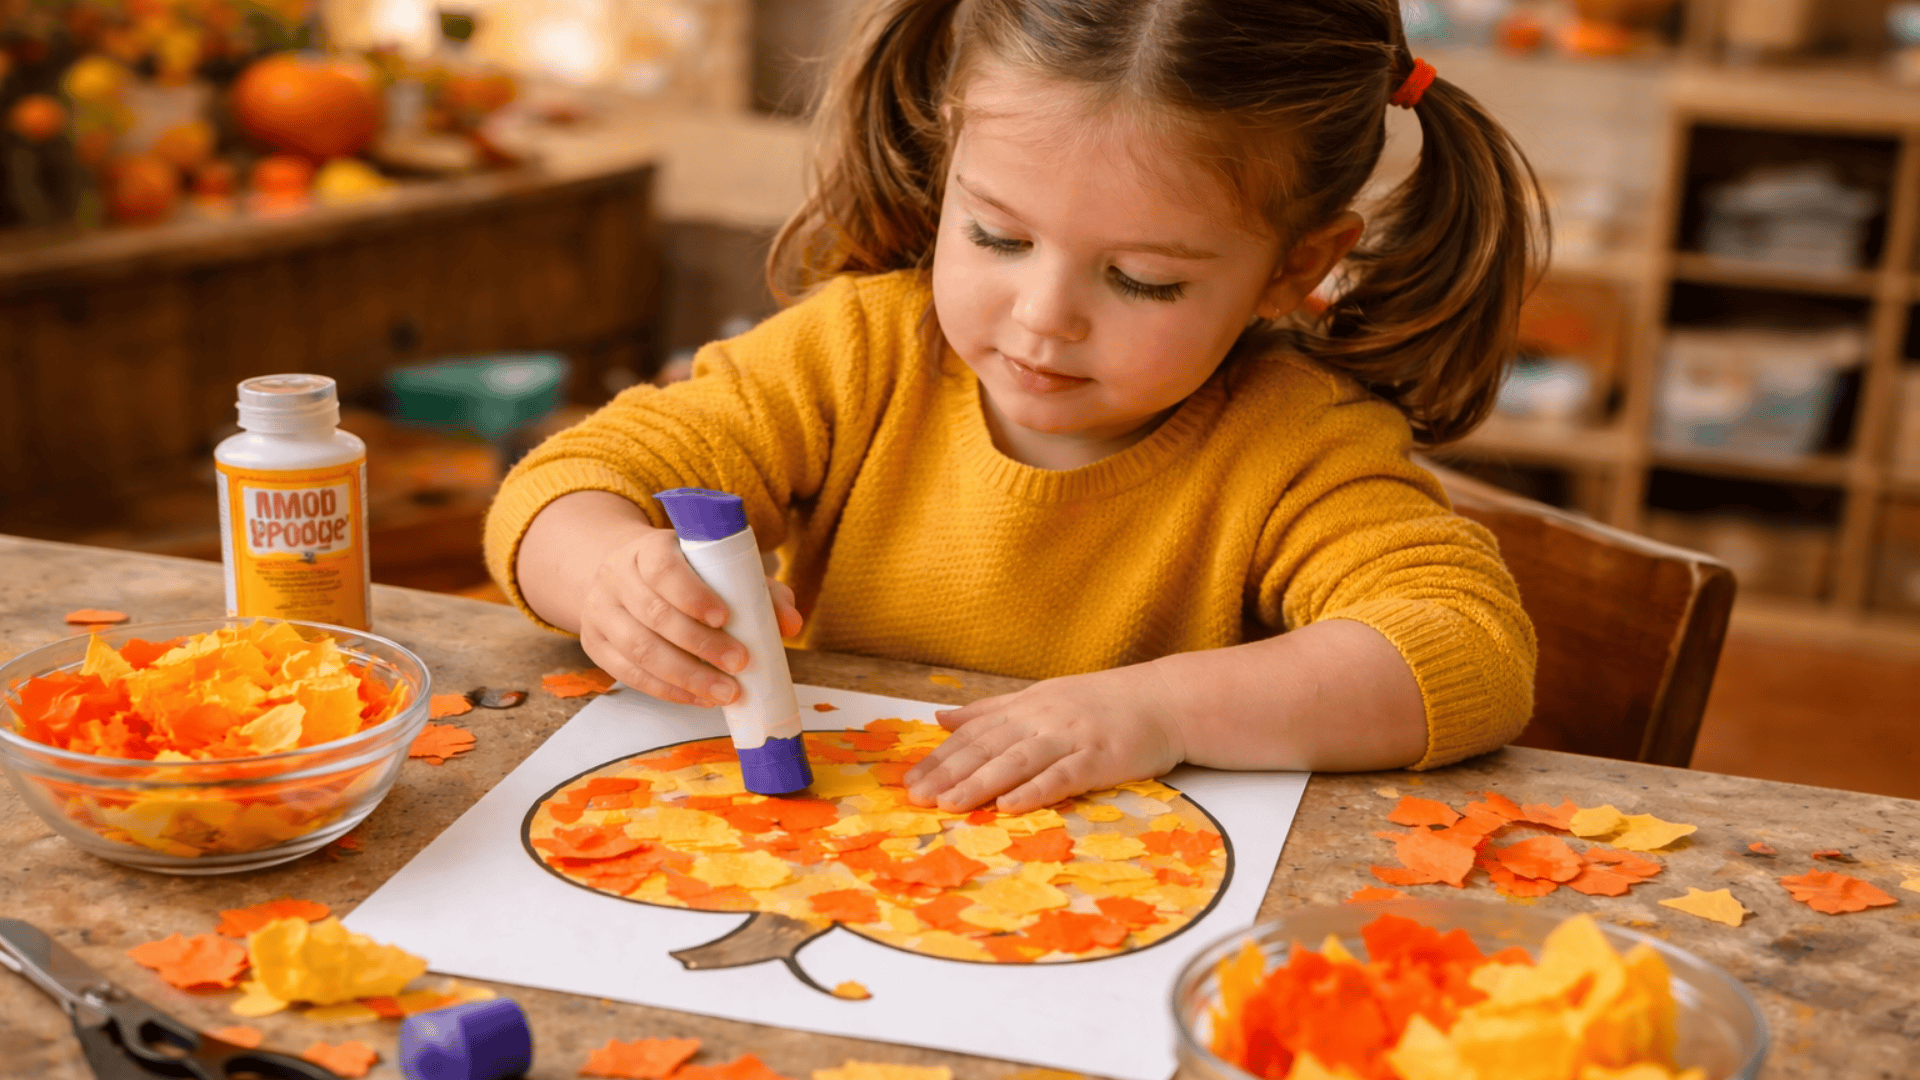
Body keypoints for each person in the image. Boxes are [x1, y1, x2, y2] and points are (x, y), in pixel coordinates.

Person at [485, 0, 1543, 815]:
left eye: (1142, 280)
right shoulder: (860, 352)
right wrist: (611, 579)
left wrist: (1156, 711)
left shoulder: (1296, 445)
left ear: (1293, 267)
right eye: (997, 236)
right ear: (950, 162)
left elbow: (1464, 646)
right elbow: (570, 483)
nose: (1043, 321)